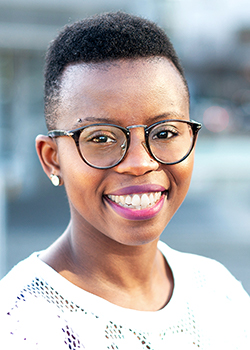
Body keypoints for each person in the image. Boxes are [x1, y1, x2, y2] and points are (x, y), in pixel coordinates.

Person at [0, 11, 249, 349]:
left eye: (164, 132)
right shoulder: (19, 325)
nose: (139, 163)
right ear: (52, 159)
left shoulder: (219, 293)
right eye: (101, 138)